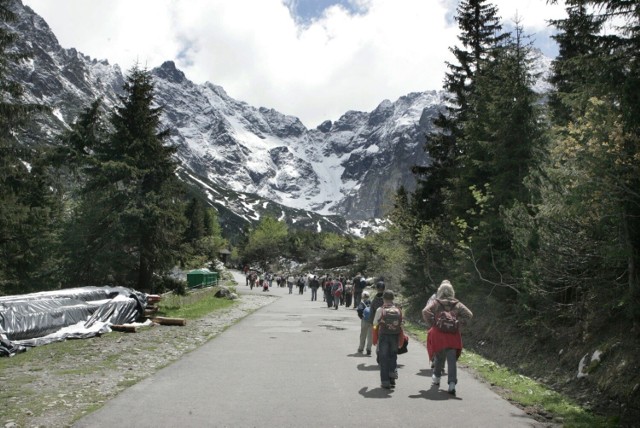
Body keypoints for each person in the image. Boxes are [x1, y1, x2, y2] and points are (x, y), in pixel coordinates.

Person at [422, 280, 473, 396]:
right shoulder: (457, 304)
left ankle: (437, 377)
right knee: (451, 359)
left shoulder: (436, 302)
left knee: (439, 356)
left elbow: (425, 311)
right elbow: (469, 314)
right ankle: (452, 384)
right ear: (452, 291)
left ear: (440, 291)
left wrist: (433, 323)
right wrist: (459, 324)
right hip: (453, 334)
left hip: (439, 334)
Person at [372, 290, 403, 389]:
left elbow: (375, 324)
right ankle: (392, 378)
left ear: (383, 299)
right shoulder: (398, 310)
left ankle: (385, 382)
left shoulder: (380, 310)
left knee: (383, 358)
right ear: (393, 298)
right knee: (393, 356)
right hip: (395, 335)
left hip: (384, 335)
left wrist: (375, 336)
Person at [356, 291, 373, 355]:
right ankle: (369, 349)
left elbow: (359, 310)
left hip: (364, 320)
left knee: (363, 335)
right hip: (371, 321)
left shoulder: (362, 302)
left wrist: (361, 317)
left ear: (363, 296)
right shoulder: (372, 302)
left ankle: (361, 348)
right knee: (370, 335)